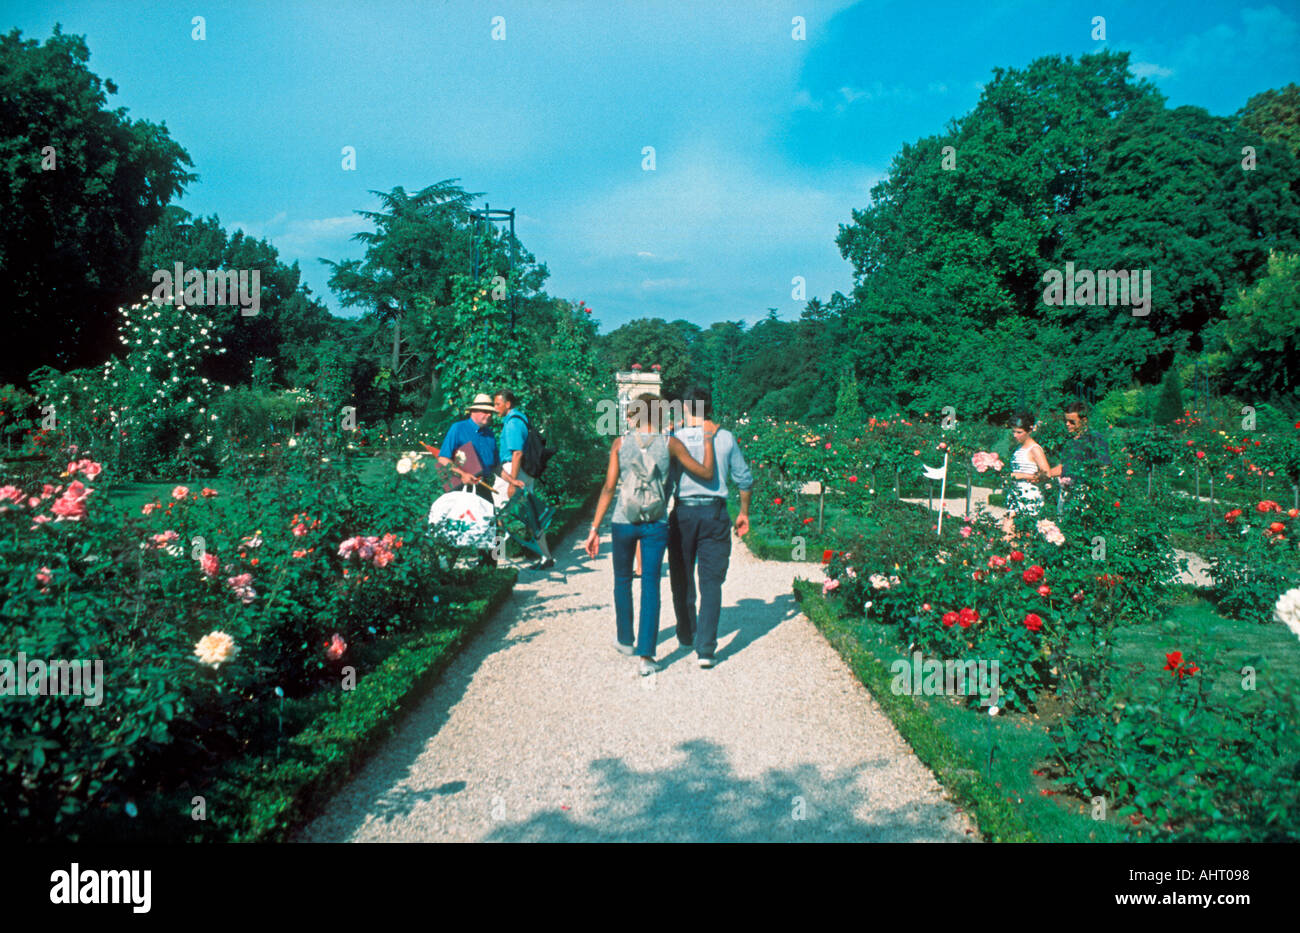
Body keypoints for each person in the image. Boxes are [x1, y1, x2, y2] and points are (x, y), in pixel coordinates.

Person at [583, 393, 717, 676]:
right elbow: (704, 473)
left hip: (623, 520)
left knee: (622, 580)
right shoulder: (672, 444)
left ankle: (625, 640)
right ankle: (647, 655)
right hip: (655, 522)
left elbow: (608, 488)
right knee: (651, 585)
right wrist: (706, 441)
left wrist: (594, 529)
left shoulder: (620, 444)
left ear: (634, 415)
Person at [666, 386, 753, 669]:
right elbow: (744, 480)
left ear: (688, 409)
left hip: (684, 514)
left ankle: (686, 632)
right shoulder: (725, 437)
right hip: (714, 513)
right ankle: (706, 649)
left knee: (682, 576)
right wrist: (743, 513)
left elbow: (665, 480)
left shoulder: (674, 438)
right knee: (711, 582)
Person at [437, 393, 521, 566]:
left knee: (494, 526)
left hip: (482, 486)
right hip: (460, 488)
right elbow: (443, 459)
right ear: (473, 411)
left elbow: (496, 466)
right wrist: (462, 474)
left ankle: (492, 567)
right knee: (459, 527)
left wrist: (512, 480)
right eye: (485, 411)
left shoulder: (489, 434)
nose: (489, 415)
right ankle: (445, 567)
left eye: (490, 411)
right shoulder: (458, 429)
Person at [492, 390, 555, 570]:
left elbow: (517, 453)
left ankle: (499, 559)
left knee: (499, 513)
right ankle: (546, 556)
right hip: (525, 472)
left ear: (508, 404)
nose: (495, 408)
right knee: (531, 513)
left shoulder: (512, 424)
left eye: (498, 404)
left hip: (513, 471)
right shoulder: (522, 420)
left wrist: (511, 481)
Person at [1046, 401, 1111, 505]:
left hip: (1085, 491)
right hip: (1067, 491)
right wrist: (1043, 475)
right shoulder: (1070, 442)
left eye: (1072, 422)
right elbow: (1063, 467)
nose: (1067, 424)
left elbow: (1104, 467)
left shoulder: (1094, 439)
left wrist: (1102, 495)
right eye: (1066, 421)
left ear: (1084, 421)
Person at [1003, 411, 1052, 538]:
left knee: (1020, 537)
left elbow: (1047, 474)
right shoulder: (1018, 449)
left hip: (1029, 497)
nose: (1015, 435)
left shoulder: (1034, 449)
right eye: (1013, 432)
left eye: (1019, 432)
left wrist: (1022, 475)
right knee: (1007, 535)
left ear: (1029, 430)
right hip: (1015, 495)